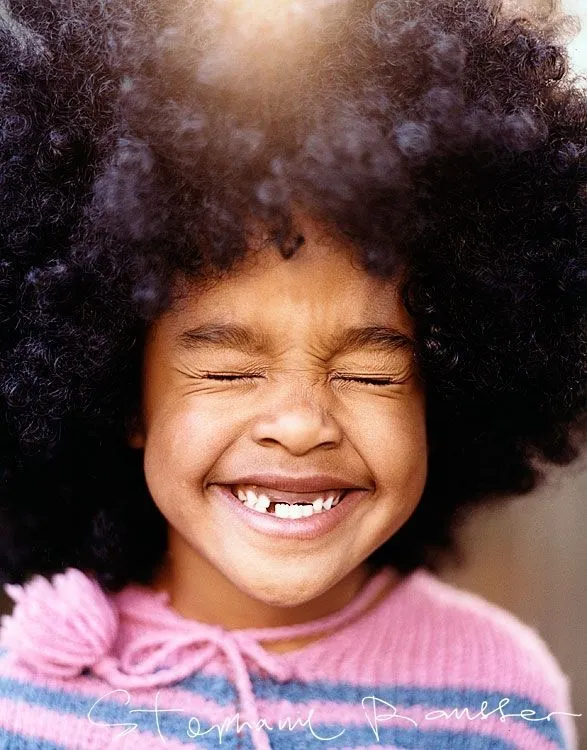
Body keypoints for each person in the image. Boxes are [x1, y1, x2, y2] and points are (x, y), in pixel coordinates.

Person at [0, 0, 585, 747]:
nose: (302, 423)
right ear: (120, 393)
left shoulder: (494, 698)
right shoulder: (23, 697)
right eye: (227, 372)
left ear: (449, 388)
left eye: (371, 375)